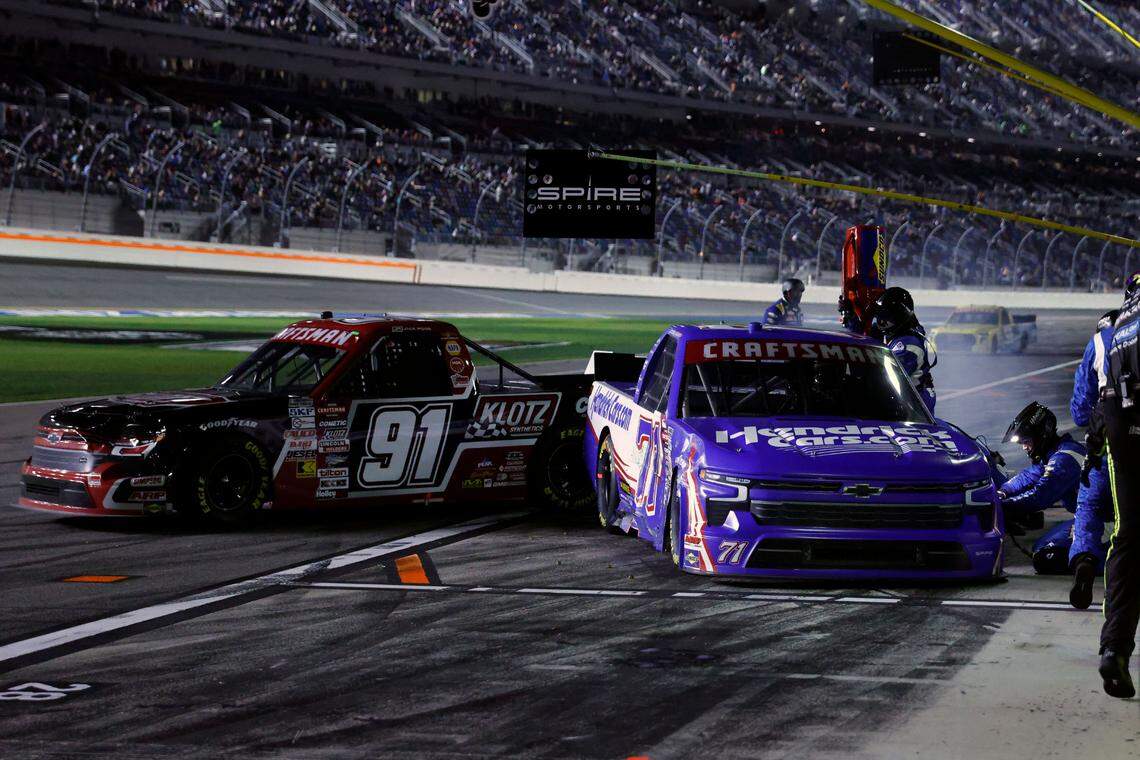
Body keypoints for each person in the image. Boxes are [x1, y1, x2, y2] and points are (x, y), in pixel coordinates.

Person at [1086, 272, 1140, 699]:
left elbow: (1088, 396)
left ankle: (1114, 649)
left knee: (1126, 539)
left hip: (1118, 426)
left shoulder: (1110, 329)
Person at [1062, 308, 1121, 609]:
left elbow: (1080, 410)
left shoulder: (1098, 343)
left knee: (1089, 507)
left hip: (1105, 444)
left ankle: (1084, 561)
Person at [997, 402, 1087, 572]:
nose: (1025, 447)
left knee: (1046, 558)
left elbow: (1040, 496)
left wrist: (1002, 506)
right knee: (1041, 546)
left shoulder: (1065, 458)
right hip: (1089, 518)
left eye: (1026, 441)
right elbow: (1027, 476)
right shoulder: (1055, 454)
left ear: (1041, 435)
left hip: (1107, 520)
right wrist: (1002, 492)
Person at [870, 287, 936, 413]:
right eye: (879, 315)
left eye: (886, 316)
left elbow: (883, 377)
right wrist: (851, 316)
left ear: (899, 316)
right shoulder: (896, 328)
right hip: (902, 395)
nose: (881, 322)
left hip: (917, 403)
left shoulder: (909, 345)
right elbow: (861, 334)